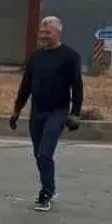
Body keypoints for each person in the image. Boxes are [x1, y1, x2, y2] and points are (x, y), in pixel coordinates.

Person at [9, 16, 83, 211]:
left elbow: (77, 86)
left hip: (57, 112)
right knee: (38, 154)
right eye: (42, 32)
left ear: (58, 33)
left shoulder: (70, 56)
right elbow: (26, 85)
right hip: (37, 112)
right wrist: (17, 110)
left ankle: (46, 193)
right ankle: (50, 186)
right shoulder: (36, 57)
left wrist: (75, 113)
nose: (43, 35)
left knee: (44, 153)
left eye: (47, 32)